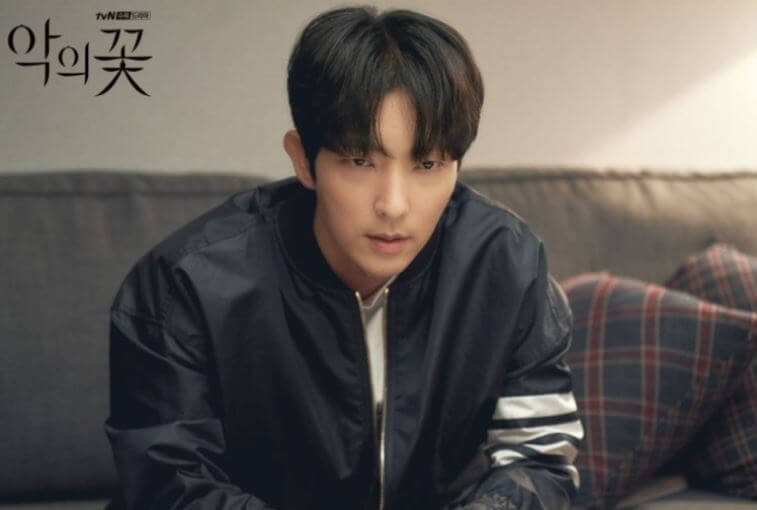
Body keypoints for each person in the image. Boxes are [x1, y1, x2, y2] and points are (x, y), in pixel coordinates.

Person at [104, 5, 584, 510]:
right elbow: (169, 486)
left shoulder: (506, 265)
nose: (393, 205)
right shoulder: (184, 285)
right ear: (303, 160)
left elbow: (539, 460)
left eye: (427, 163)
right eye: (360, 161)